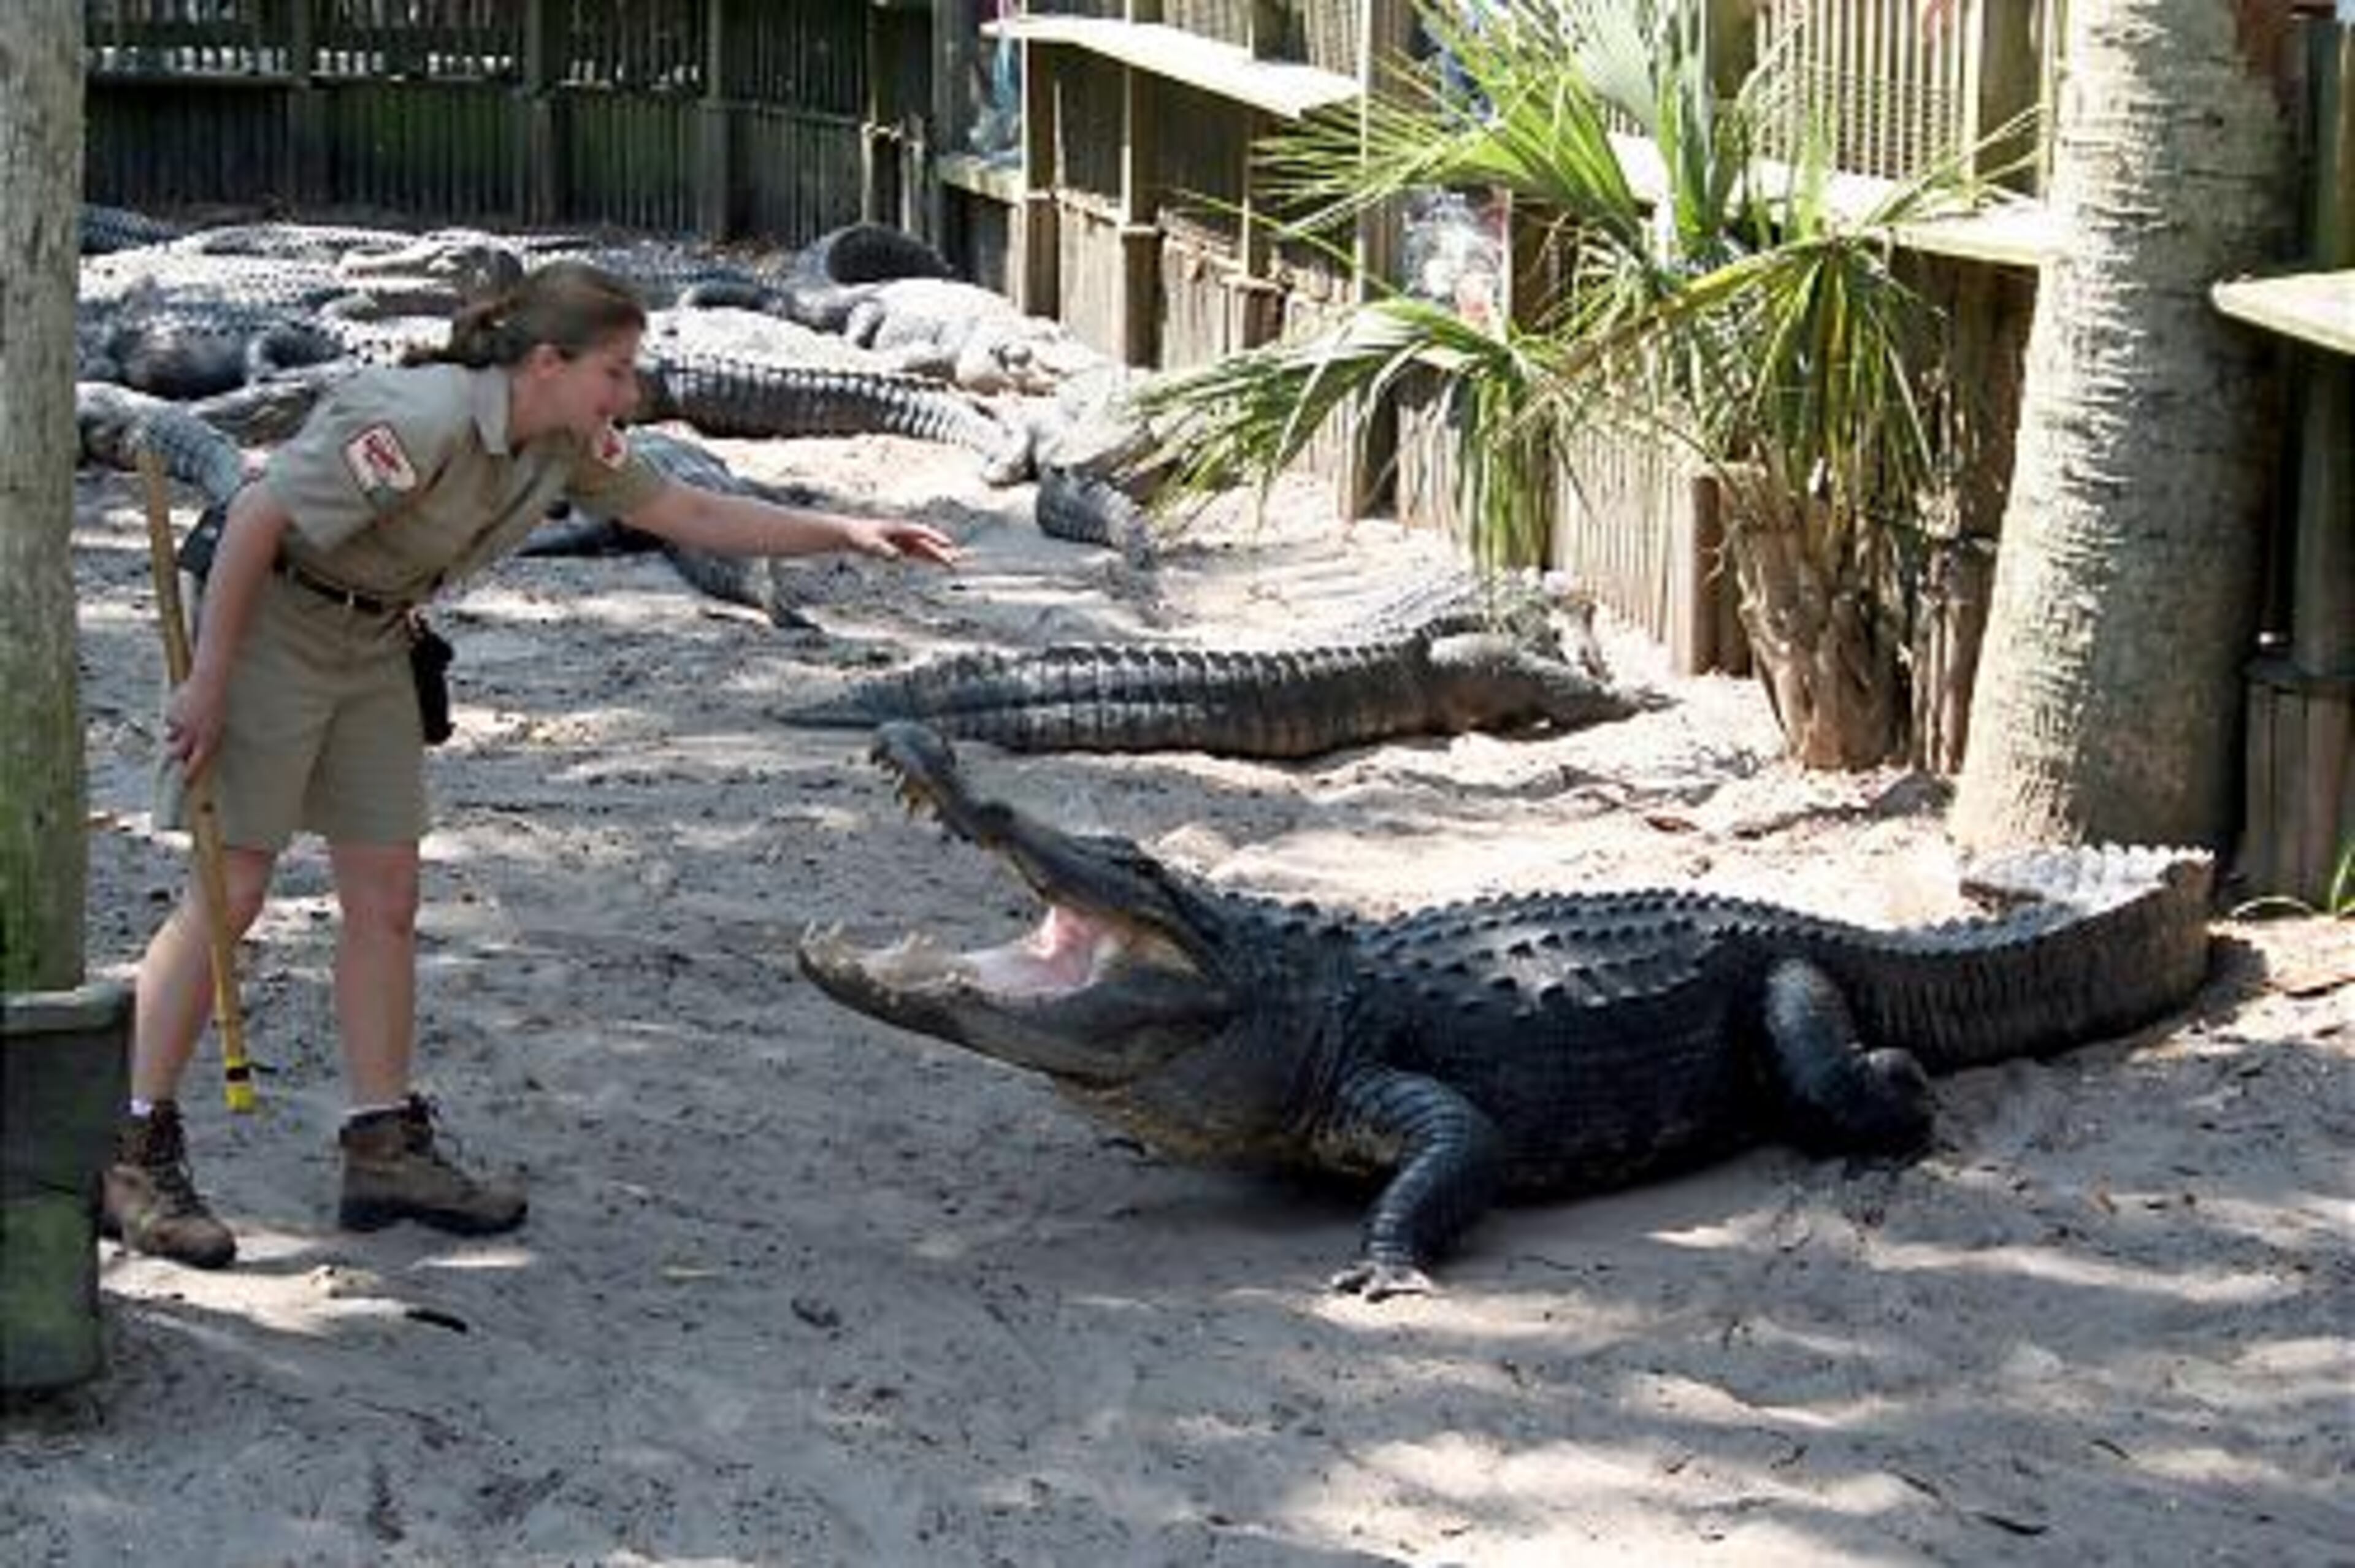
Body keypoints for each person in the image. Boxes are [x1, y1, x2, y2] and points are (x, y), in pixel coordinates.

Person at [104, 259, 960, 1269]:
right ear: (547, 362)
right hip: (271, 626)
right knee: (232, 886)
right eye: (616, 371)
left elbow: (687, 514)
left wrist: (848, 532)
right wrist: (207, 680)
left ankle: (383, 1143)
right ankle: (130, 1147)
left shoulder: (561, 448)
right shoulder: (417, 417)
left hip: (376, 636)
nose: (630, 396)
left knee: (384, 892)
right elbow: (254, 521)